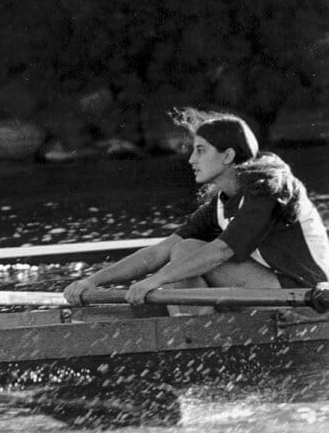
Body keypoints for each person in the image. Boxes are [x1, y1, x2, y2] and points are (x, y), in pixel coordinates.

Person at [63, 109, 329, 312]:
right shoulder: (221, 204)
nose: (191, 160)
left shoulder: (267, 191)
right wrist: (93, 281)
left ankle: (200, 335)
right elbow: (158, 252)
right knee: (183, 249)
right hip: (273, 291)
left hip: (310, 300)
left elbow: (220, 251)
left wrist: (155, 281)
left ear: (227, 156)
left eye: (200, 151)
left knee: (187, 252)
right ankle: (200, 330)